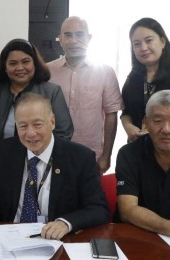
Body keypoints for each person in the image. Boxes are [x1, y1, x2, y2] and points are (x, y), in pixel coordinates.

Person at [0, 93, 109, 240]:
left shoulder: (80, 157)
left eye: (38, 124)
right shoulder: (6, 151)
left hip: (55, 240)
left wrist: (65, 223)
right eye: (23, 126)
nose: (31, 133)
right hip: (11, 238)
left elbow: (98, 209)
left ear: (52, 122)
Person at [47, 16, 123, 174]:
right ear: (60, 39)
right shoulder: (47, 72)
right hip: (53, 153)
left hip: (91, 155)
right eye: (68, 35)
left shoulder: (105, 72)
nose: (74, 40)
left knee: (89, 199)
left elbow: (111, 115)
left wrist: (106, 156)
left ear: (89, 38)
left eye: (80, 34)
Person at [0, 38, 73, 141]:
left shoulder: (52, 92)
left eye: (25, 62)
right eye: (13, 63)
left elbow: (64, 132)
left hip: (41, 155)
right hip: (2, 155)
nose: (20, 68)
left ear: (35, 64)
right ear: (5, 67)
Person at [116, 90, 170, 236]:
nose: (166, 129)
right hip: (138, 237)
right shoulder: (129, 154)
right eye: (158, 121)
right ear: (145, 122)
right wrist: (167, 227)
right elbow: (128, 211)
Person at [121, 18, 170, 142]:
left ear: (163, 42)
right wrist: (128, 127)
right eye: (136, 44)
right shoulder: (133, 78)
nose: (143, 48)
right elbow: (126, 111)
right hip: (140, 148)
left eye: (149, 40)